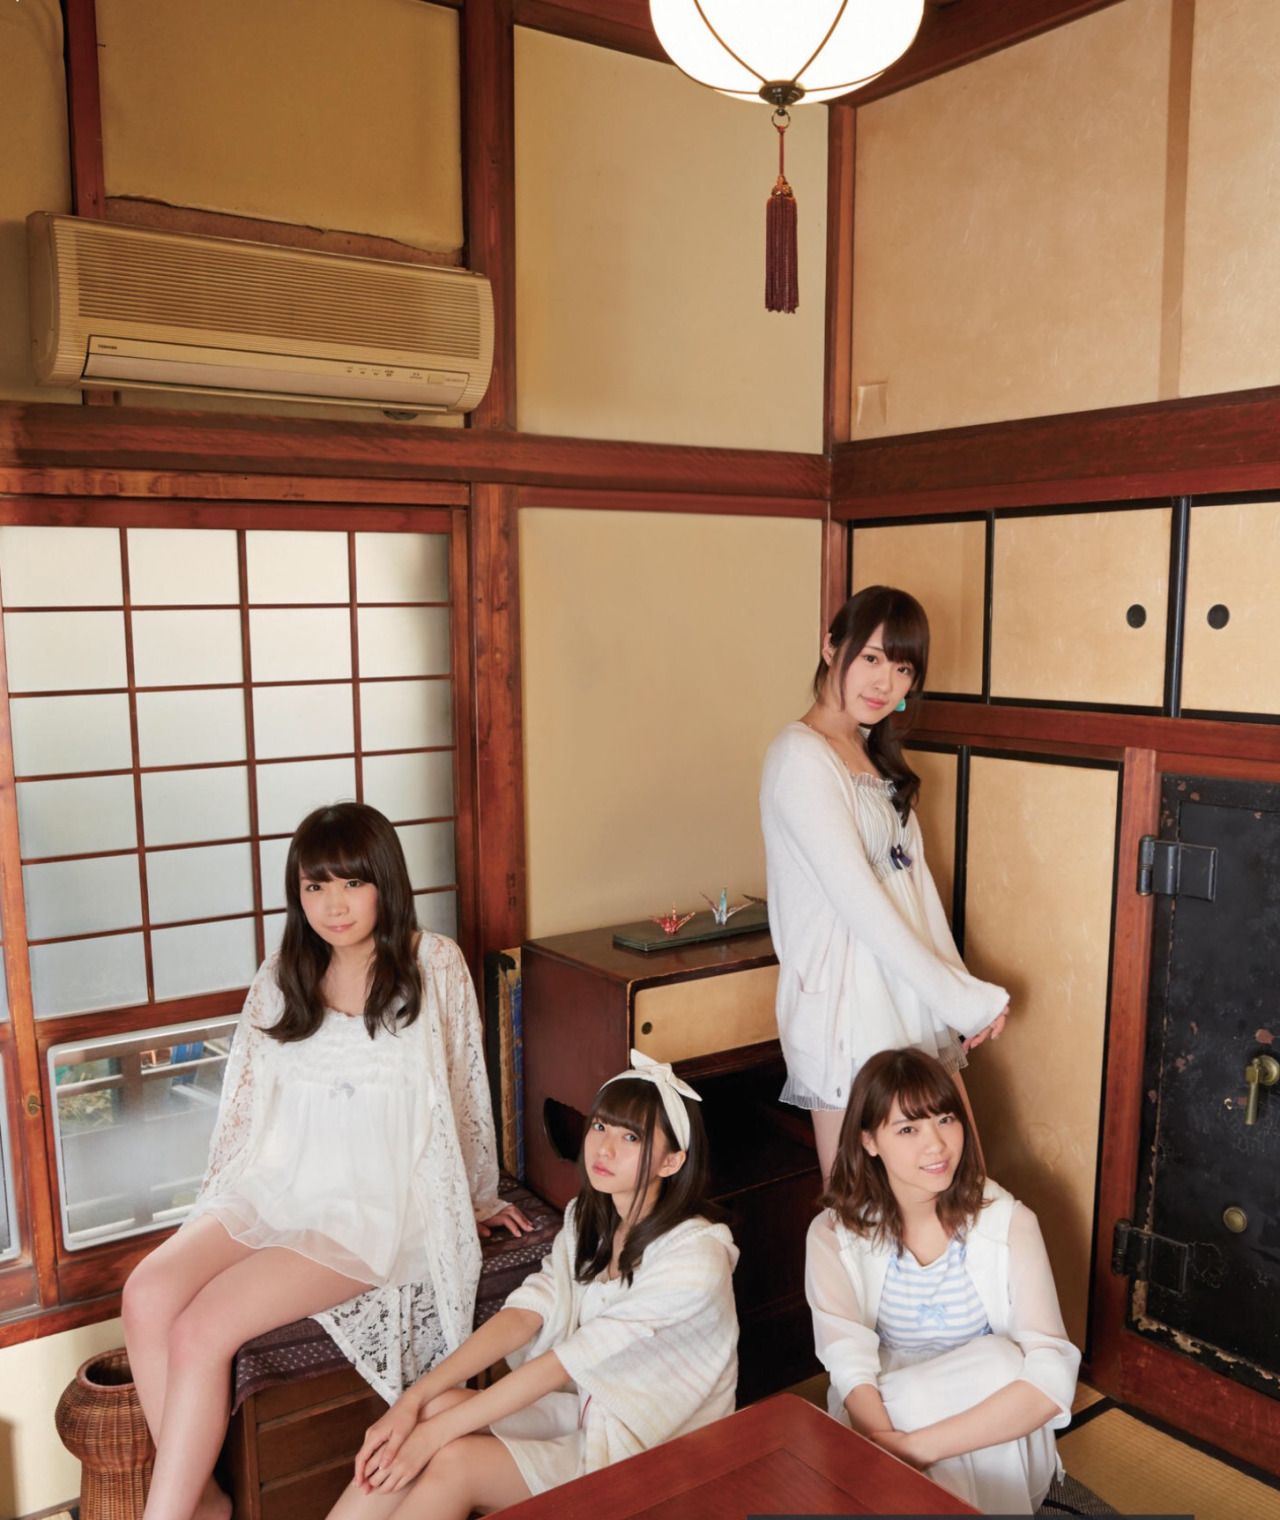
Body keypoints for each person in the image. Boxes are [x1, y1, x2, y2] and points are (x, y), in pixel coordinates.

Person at [122, 802, 530, 1520]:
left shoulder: (433, 964)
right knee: (146, 1293)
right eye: (315, 886)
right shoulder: (282, 974)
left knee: (201, 1329)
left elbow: (464, 1087)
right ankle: (204, 1500)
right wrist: (228, 1207)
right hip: (276, 1185)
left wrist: (473, 1195)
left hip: (371, 1210)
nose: (333, 905)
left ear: (385, 883)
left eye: (352, 883)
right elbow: (244, 1114)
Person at [324, 1052, 739, 1520]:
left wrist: (433, 1438)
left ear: (672, 1161)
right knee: (431, 1409)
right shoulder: (592, 1220)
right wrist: (410, 1402)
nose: (604, 1148)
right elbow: (526, 1313)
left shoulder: (695, 1260)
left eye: (631, 1137)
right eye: (600, 1126)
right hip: (589, 1414)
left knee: (455, 1461)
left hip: (656, 1452)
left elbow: (568, 1361)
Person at [760, 584, 1009, 1179]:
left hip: (908, 992)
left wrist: (958, 997)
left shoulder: (871, 752)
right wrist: (965, 1001)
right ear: (831, 647)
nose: (886, 683)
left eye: (903, 669)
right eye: (871, 658)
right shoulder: (799, 757)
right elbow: (859, 902)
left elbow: (917, 897)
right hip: (848, 1005)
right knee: (865, 1205)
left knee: (958, 1182)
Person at [806, 1048, 1079, 1515]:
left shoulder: (1010, 1222)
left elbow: (1051, 1373)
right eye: (908, 1129)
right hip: (888, 1417)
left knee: (1000, 1363)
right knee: (911, 1393)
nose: (936, 1145)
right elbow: (850, 1367)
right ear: (869, 1141)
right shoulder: (833, 1236)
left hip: (994, 1431)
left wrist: (917, 1447)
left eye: (946, 1120)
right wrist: (890, 1445)